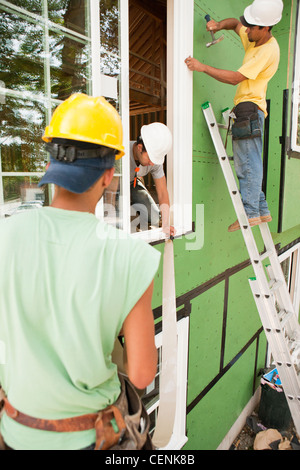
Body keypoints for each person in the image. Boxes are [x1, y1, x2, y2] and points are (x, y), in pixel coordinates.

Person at [0, 93, 160, 450]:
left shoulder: (4, 236)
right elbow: (142, 373)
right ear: (107, 176)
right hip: (91, 437)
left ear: (51, 167)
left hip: (15, 431)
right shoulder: (130, 256)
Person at [185, 0, 283, 232]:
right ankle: (261, 209)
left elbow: (235, 78)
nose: (245, 29)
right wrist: (218, 25)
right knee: (253, 161)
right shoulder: (254, 38)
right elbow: (235, 24)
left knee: (246, 163)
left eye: (251, 27)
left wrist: (203, 67)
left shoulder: (267, 51)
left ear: (266, 28)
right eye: (247, 25)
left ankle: (249, 213)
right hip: (251, 109)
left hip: (248, 108)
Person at [130, 122, 175, 236]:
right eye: (150, 158)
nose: (152, 163)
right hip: (115, 185)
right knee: (118, 219)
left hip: (133, 183)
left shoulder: (154, 161)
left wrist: (165, 225)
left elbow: (162, 192)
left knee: (155, 218)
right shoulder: (121, 153)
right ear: (140, 148)